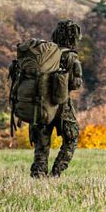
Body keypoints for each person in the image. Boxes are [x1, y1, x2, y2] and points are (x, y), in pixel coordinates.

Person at [29, 19, 83, 179]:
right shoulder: (71, 56)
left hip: (40, 105)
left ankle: (38, 174)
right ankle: (56, 172)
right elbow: (75, 84)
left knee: (41, 145)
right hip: (62, 106)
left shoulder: (44, 54)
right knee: (71, 138)